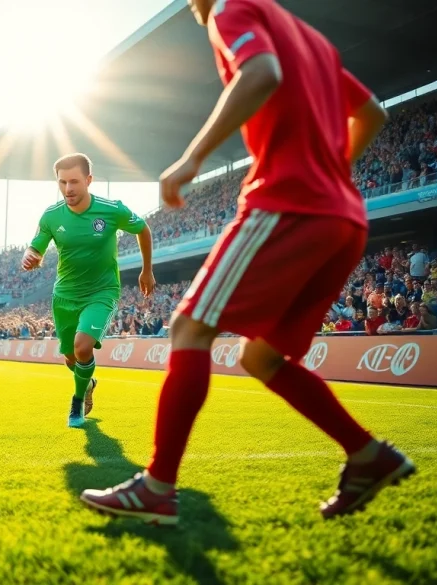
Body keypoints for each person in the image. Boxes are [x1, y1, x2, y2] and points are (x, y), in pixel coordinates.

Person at [79, 0, 414, 524]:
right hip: (343, 219)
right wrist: (331, 172)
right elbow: (372, 112)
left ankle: (158, 487)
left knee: (189, 327)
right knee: (262, 357)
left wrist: (192, 157)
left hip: (288, 204)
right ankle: (368, 455)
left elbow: (260, 72)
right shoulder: (311, 38)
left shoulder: (230, 10)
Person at [22, 153, 155, 427]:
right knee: (71, 358)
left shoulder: (112, 210)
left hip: (102, 292)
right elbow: (37, 247)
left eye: (74, 182)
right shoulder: (51, 216)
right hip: (65, 296)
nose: (68, 189)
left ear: (89, 180)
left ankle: (77, 403)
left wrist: (147, 269)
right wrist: (30, 256)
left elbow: (143, 229)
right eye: (62, 183)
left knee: (83, 348)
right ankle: (89, 382)